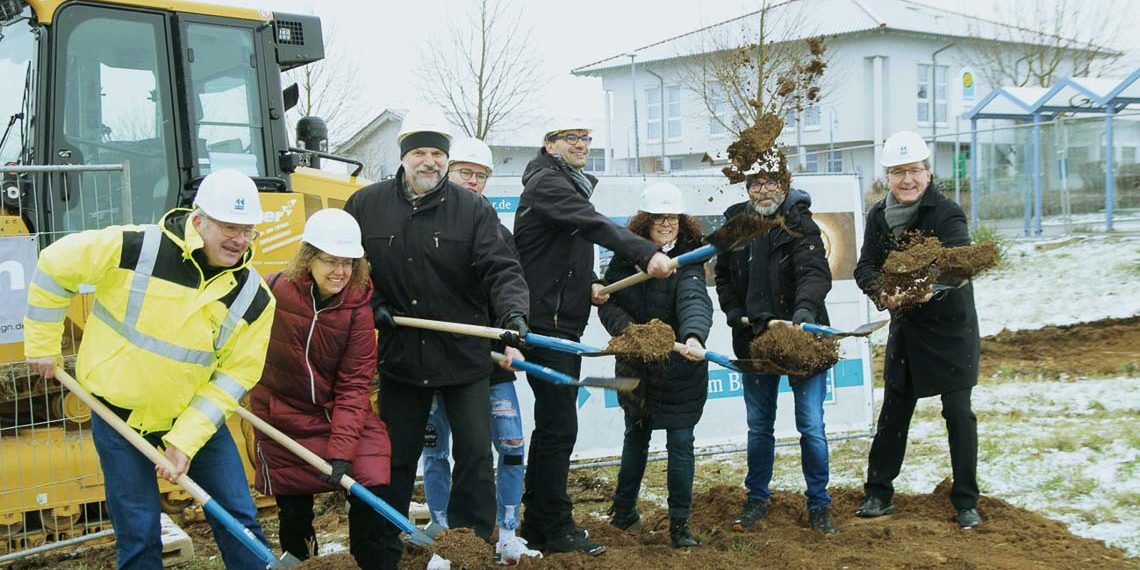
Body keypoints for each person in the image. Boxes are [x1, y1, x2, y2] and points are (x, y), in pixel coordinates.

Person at [23, 170, 276, 568]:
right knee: (139, 533)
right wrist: (41, 345)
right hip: (118, 415)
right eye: (230, 227)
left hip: (193, 417)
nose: (240, 240)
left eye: (248, 230)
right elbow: (55, 263)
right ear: (199, 219)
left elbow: (236, 375)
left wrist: (185, 441)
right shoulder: (136, 247)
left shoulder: (253, 296)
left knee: (239, 520)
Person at [343, 108, 530, 569]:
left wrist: (513, 316)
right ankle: (378, 554)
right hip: (402, 359)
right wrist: (372, 302)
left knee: (472, 458)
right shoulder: (366, 205)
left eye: (437, 154)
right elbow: (347, 270)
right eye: (419, 153)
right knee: (393, 461)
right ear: (403, 157)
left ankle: (468, 551)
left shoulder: (472, 209)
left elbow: (501, 270)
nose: (429, 162)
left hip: (463, 359)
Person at [513, 120, 675, 556]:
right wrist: (646, 252)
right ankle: (558, 526)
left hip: (561, 317)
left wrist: (591, 282)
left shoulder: (566, 183)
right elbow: (591, 224)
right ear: (549, 145)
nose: (581, 145)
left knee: (552, 425)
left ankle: (537, 523)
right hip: (545, 326)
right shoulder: (548, 183)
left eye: (586, 138)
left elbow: (555, 253)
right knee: (559, 426)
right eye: (571, 138)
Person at [419, 137, 541, 564]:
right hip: (435, 362)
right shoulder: (424, 227)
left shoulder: (496, 233)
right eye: (464, 172)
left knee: (509, 448)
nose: (472, 181)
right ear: (447, 172)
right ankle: (441, 529)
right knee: (436, 453)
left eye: (480, 175)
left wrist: (511, 335)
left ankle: (506, 532)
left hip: (490, 366)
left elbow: (509, 287)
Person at [853, 131, 981, 529]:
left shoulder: (946, 213)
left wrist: (926, 289)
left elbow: (958, 265)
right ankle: (878, 491)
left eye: (914, 171)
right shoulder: (878, 216)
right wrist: (882, 292)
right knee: (894, 411)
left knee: (958, 413)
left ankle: (966, 501)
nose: (906, 180)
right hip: (907, 329)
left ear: (927, 172)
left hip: (949, 330)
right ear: (887, 177)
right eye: (897, 173)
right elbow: (865, 267)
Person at [250, 208, 392, 567]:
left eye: (348, 262)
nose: (340, 272)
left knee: (371, 477)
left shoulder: (358, 309)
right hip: (280, 413)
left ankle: (369, 561)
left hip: (334, 413)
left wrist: (341, 451)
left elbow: (354, 385)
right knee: (294, 505)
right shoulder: (275, 290)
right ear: (308, 257)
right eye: (330, 261)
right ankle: (302, 560)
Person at [713, 149, 838, 535]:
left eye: (771, 182)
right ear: (747, 187)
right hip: (754, 341)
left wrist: (803, 314)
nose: (764, 190)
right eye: (756, 183)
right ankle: (756, 500)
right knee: (759, 426)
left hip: (801, 338)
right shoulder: (735, 224)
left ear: (785, 185)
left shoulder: (800, 223)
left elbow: (815, 275)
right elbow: (722, 277)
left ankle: (819, 504)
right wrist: (734, 312)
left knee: (811, 426)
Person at [597, 182, 713, 549]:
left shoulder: (688, 260)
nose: (667, 224)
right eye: (659, 218)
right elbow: (609, 303)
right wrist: (631, 333)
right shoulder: (624, 258)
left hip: (679, 368)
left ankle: (680, 526)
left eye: (673, 218)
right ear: (645, 221)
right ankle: (624, 511)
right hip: (636, 368)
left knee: (681, 444)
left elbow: (694, 299)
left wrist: (693, 336)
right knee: (636, 438)